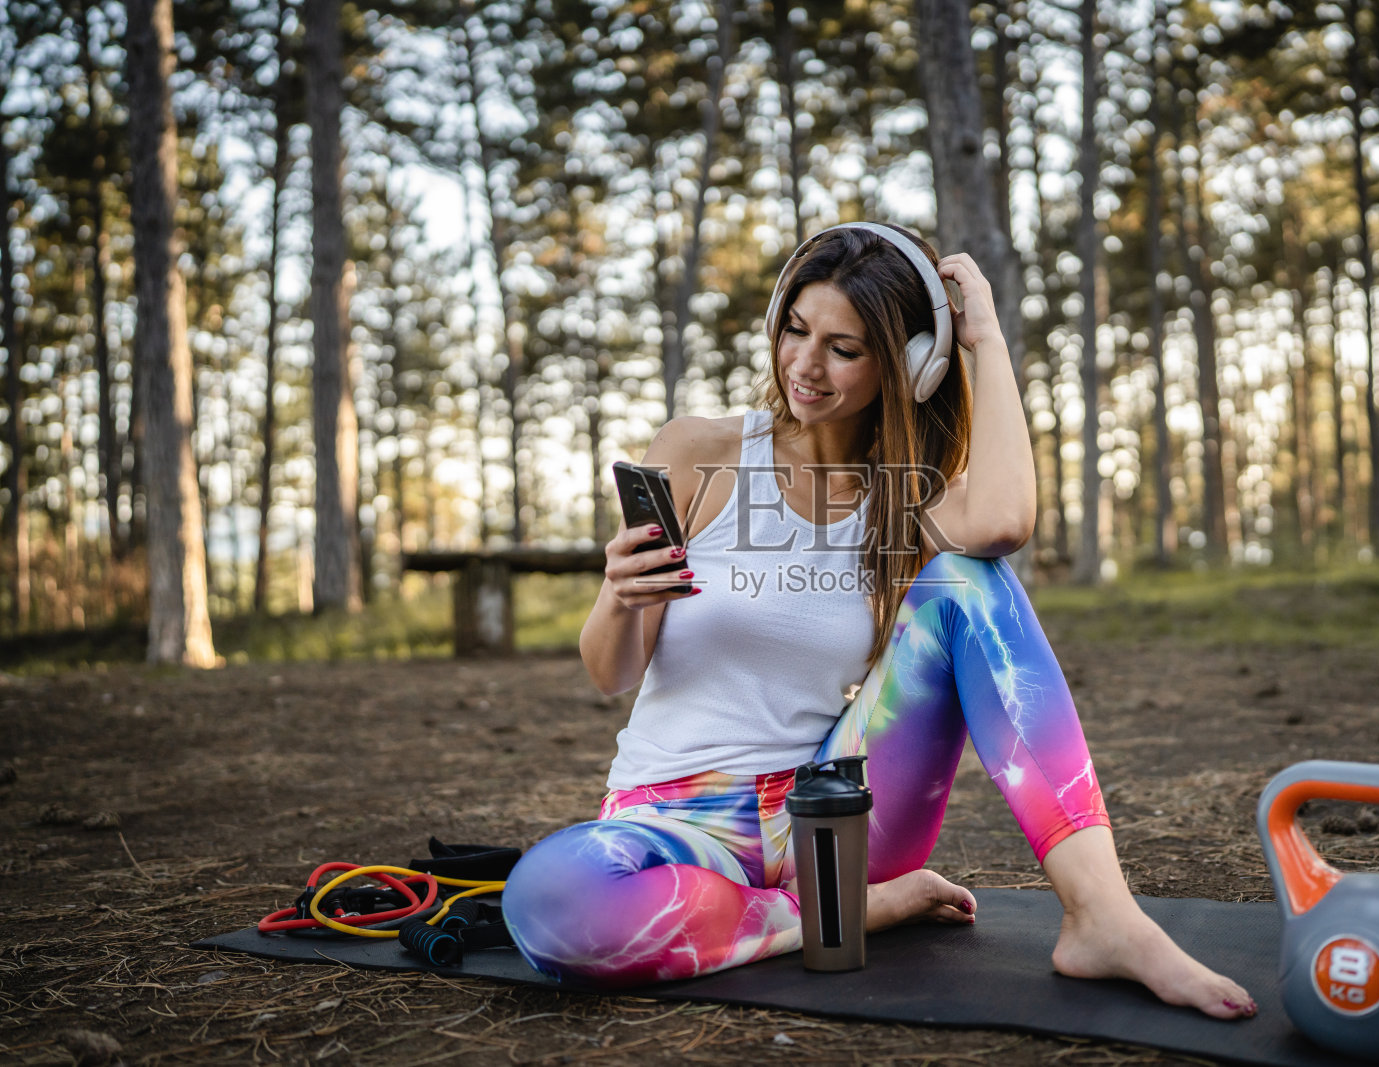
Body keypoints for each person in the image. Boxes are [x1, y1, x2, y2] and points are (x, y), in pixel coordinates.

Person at [501, 222, 1256, 1019]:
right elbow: (611, 672)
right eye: (796, 329)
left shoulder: (907, 495)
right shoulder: (696, 451)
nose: (805, 364)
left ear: (910, 364)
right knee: (554, 904)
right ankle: (845, 915)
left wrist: (986, 340)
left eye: (843, 348)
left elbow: (1004, 521)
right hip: (670, 825)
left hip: (833, 819)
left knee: (968, 579)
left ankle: (1102, 914)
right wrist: (620, 594)